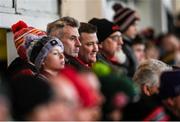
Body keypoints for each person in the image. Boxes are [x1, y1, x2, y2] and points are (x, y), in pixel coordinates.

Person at [112, 3, 140, 77]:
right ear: (125, 25)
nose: (136, 29)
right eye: (133, 25)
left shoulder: (128, 45)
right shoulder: (121, 47)